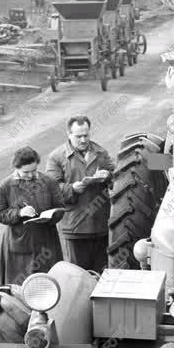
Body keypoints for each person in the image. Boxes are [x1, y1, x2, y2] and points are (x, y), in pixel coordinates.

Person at [45, 115, 115, 272]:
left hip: (101, 225)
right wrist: (72, 189)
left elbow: (116, 173)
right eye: (78, 136)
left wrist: (108, 176)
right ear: (68, 134)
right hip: (75, 228)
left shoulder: (100, 152)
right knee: (78, 276)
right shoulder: (56, 157)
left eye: (86, 135)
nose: (83, 140)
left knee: (102, 275)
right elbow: (50, 189)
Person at [0, 146, 64, 285]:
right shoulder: (5, 186)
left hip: (46, 243)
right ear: (16, 168)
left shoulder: (49, 182)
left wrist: (50, 216)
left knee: (48, 288)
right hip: (19, 248)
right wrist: (18, 213)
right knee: (20, 289)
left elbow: (60, 207)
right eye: (26, 172)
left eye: (34, 171)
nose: (31, 176)